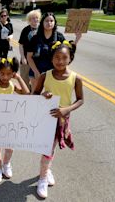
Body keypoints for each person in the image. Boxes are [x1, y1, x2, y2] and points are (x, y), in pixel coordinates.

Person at [33, 41, 84, 198]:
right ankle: (42, 179)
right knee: (47, 150)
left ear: (70, 58)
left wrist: (66, 110)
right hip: (46, 119)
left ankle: (46, 171)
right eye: (57, 57)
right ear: (51, 58)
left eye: (64, 57)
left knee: (51, 149)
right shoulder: (44, 76)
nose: (60, 61)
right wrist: (42, 96)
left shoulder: (76, 78)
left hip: (62, 120)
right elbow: (34, 95)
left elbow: (80, 99)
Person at [27, 12, 82, 92]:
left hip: (54, 72)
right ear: (42, 23)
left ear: (54, 23)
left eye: (51, 21)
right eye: (46, 21)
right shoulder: (35, 38)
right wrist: (36, 72)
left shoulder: (59, 37)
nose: (49, 23)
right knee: (35, 95)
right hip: (37, 70)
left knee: (52, 96)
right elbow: (29, 57)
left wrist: (77, 39)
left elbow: (68, 51)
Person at [18, 9, 41, 89]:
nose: (35, 20)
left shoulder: (42, 30)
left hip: (38, 60)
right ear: (29, 20)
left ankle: (35, 95)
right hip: (26, 59)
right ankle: (26, 95)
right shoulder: (26, 30)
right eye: (33, 18)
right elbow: (21, 45)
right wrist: (23, 57)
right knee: (24, 79)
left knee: (37, 80)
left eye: (36, 18)